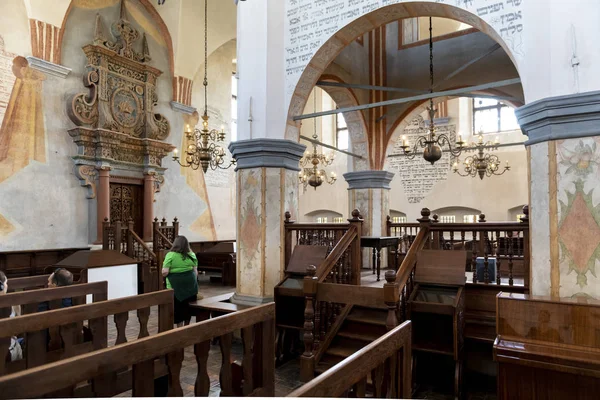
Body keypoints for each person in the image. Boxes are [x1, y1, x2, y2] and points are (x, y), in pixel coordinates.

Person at [162, 236, 198, 327]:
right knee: (188, 307)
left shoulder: (171, 255)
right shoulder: (191, 254)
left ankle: (179, 328)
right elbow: (195, 272)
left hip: (175, 286)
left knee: (178, 308)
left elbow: (165, 272)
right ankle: (187, 326)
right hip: (190, 285)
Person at [0, 271, 23, 361]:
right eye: (6, 283)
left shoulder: (15, 303)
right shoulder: (14, 303)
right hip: (10, 349)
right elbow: (18, 329)